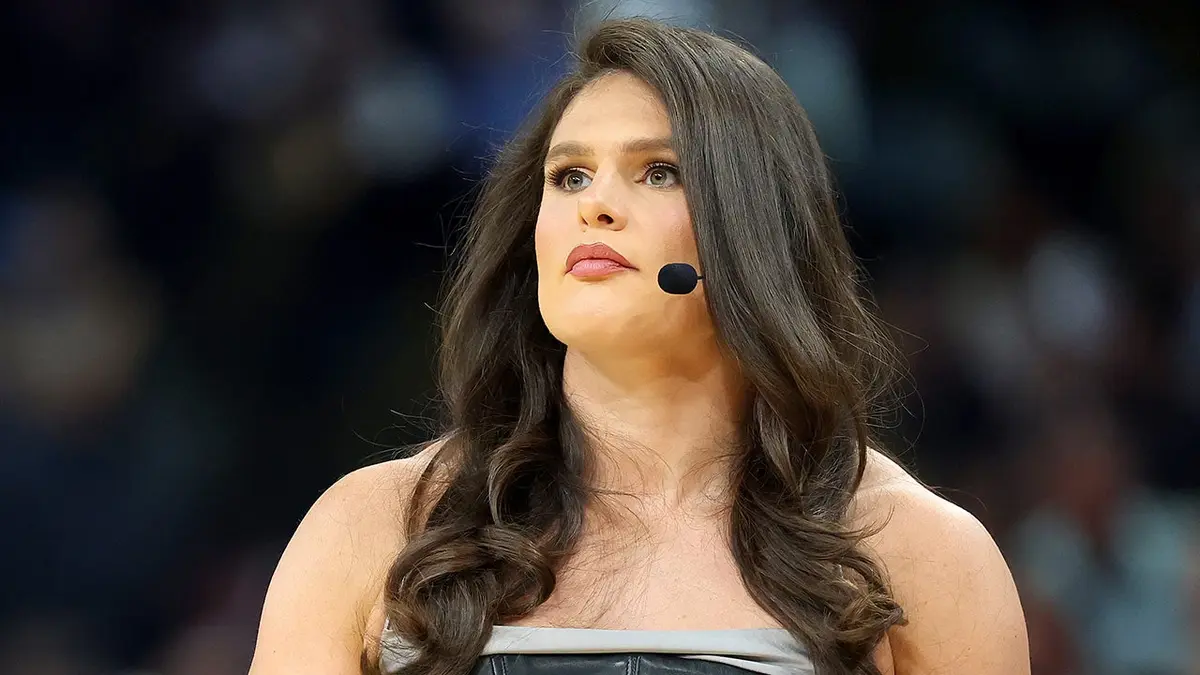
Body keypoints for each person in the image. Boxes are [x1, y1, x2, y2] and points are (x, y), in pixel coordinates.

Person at [248, 17, 1029, 675]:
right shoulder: (373, 529)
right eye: (570, 177)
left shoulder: (919, 553)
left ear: (752, 232)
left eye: (657, 172)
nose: (597, 208)